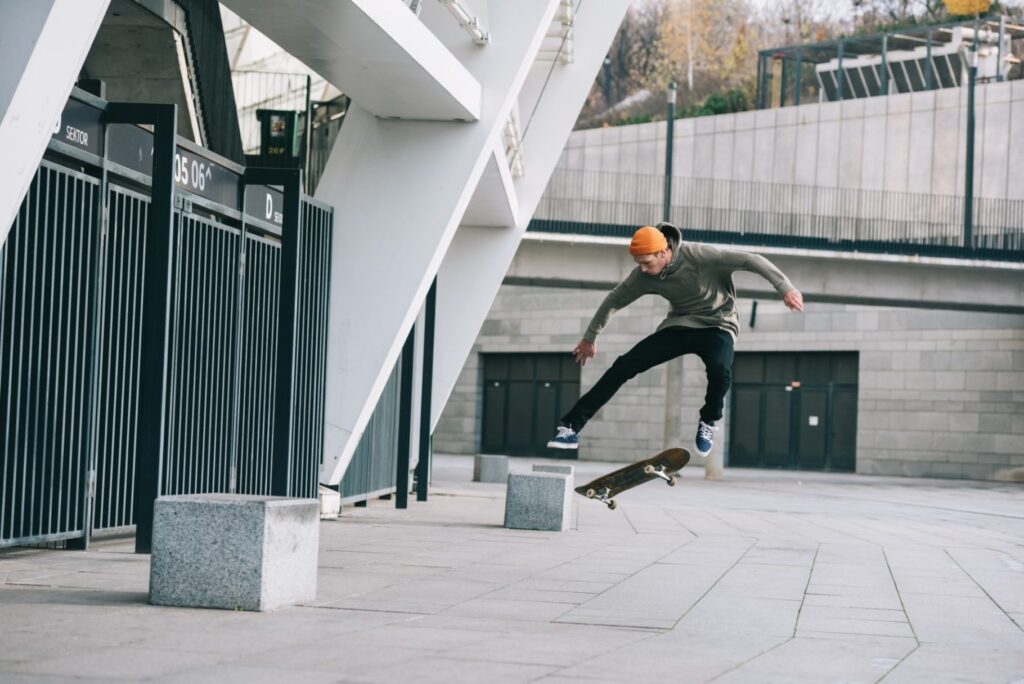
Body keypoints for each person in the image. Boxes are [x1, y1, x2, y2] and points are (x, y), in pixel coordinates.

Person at [546, 223, 804, 458]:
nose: (643, 269)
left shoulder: (700, 256)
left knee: (720, 370)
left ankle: (708, 421)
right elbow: (614, 300)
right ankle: (570, 427)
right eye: (639, 264)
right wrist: (589, 338)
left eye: (646, 262)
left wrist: (785, 288)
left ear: (663, 252)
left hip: (718, 325)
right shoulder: (643, 275)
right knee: (623, 366)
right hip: (679, 325)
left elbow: (751, 259)